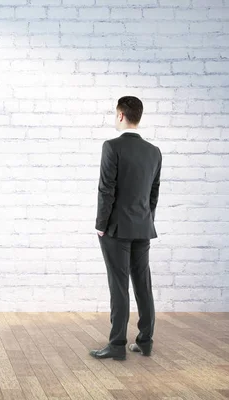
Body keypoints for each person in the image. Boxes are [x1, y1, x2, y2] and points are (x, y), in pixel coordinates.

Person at [89, 96, 162, 361]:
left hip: (116, 229)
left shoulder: (112, 146)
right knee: (143, 284)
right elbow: (154, 194)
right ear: (138, 116)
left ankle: (117, 344)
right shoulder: (154, 152)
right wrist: (146, 221)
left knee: (118, 285)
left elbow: (106, 189)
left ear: (120, 115)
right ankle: (145, 341)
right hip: (143, 227)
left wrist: (100, 224)